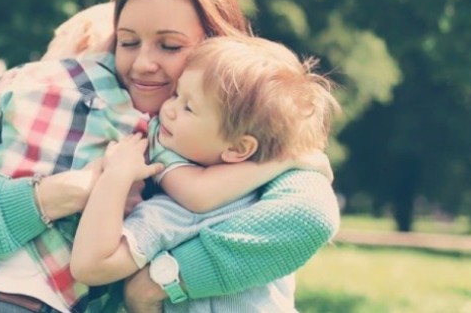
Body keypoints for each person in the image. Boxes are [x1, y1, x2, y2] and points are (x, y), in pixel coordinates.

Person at [0, 0, 339, 313]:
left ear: (214, 50)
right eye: (127, 42)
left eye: (171, 46)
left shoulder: (256, 130)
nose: (143, 64)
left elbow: (308, 217)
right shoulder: (56, 92)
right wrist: (54, 194)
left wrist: (162, 282)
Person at [70, 36, 339, 312]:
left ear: (238, 148)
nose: (169, 109)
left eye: (188, 107)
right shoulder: (270, 199)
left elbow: (91, 265)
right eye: (176, 94)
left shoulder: (182, 213)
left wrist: (115, 176)